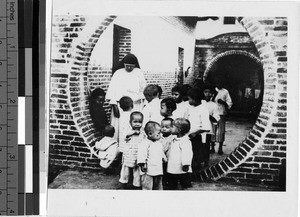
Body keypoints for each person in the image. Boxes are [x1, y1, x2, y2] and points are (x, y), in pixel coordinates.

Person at [106, 53, 147, 141]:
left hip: (135, 105)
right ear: (123, 64)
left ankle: (134, 143)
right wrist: (114, 105)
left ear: (135, 65)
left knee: (134, 123)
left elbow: (143, 89)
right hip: (120, 105)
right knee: (120, 125)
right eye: (127, 66)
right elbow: (112, 90)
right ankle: (120, 143)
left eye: (131, 66)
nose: (129, 68)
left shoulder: (139, 72)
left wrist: (144, 103)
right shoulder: (118, 73)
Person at [186, 88, 210, 176]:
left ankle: (195, 175)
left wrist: (195, 133)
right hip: (189, 136)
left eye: (189, 99)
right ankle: (190, 173)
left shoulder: (203, 109)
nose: (188, 101)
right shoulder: (191, 108)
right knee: (189, 155)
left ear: (195, 99)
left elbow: (206, 127)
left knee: (196, 156)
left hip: (196, 137)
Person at [119, 111, 145, 189]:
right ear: (130, 122)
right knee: (125, 169)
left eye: (140, 122)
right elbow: (125, 137)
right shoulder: (128, 130)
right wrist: (132, 133)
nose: (137, 124)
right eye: (135, 122)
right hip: (129, 154)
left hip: (137, 154)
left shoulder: (143, 131)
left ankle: (136, 184)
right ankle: (124, 182)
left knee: (137, 170)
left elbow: (145, 140)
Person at [138, 121, 167, 190]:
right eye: (158, 133)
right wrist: (142, 164)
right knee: (147, 184)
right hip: (148, 169)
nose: (160, 135)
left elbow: (161, 151)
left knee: (158, 183)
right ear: (150, 134)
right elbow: (142, 154)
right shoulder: (144, 143)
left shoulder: (159, 143)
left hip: (158, 167)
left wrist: (164, 158)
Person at [166, 118, 193, 190]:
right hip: (173, 166)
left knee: (184, 183)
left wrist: (186, 164)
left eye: (172, 126)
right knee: (172, 183)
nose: (170, 128)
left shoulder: (185, 141)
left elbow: (187, 153)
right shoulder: (172, 138)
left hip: (182, 167)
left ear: (179, 130)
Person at [212, 79, 233, 155]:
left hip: (221, 113)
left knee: (221, 130)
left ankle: (220, 147)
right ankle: (212, 147)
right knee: (212, 130)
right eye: (217, 82)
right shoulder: (213, 90)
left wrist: (223, 102)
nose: (219, 84)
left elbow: (229, 102)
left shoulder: (225, 91)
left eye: (220, 82)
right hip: (213, 113)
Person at [201, 84, 220, 166]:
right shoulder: (200, 103)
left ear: (212, 94)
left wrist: (208, 116)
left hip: (208, 129)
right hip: (199, 128)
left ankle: (206, 161)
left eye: (209, 92)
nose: (207, 94)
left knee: (206, 146)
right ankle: (198, 161)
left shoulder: (214, 105)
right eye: (205, 92)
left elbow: (216, 118)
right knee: (199, 146)